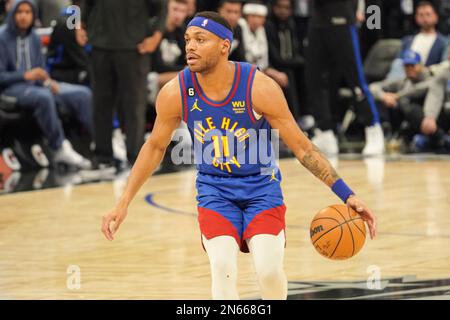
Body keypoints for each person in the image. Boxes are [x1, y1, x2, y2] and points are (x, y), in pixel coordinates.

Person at [101, 11, 377, 300]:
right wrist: (123, 202)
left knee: (269, 272)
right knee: (222, 268)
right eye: (187, 40)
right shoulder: (175, 92)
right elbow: (155, 147)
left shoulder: (258, 86)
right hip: (214, 191)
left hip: (261, 190)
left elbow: (303, 147)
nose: (190, 47)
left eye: (200, 39)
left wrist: (347, 194)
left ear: (224, 46)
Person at [0, 0, 92, 169]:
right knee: (44, 97)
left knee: (82, 94)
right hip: (12, 88)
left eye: (28, 12)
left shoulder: (34, 37)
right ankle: (59, 148)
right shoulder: (2, 37)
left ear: (33, 15)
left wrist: (49, 82)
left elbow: (41, 70)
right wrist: (25, 75)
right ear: (12, 13)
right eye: (19, 12)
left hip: (38, 85)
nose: (23, 16)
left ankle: (100, 143)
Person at [81, 0, 167, 168]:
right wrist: (77, 25)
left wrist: (156, 36)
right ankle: (102, 156)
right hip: (100, 45)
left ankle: (136, 156)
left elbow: (162, 6)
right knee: (100, 103)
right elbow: (79, 4)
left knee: (134, 103)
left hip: (134, 47)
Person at [305, 0, 384, 156]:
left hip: (342, 15)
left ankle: (373, 128)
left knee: (355, 78)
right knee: (313, 78)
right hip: (318, 18)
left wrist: (361, 8)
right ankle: (325, 131)